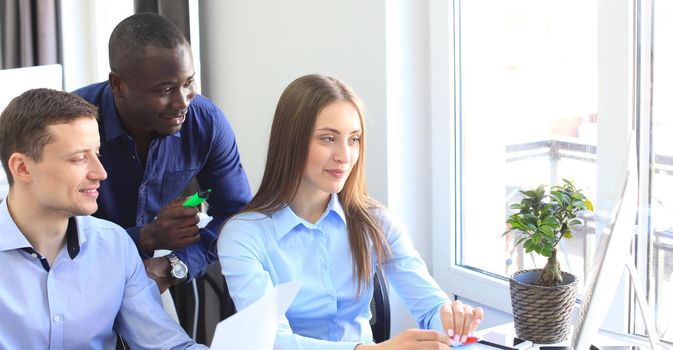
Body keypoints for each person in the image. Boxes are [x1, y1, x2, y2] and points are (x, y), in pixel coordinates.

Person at [218, 74, 484, 349]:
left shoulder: (375, 221)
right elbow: (273, 342)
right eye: (328, 138)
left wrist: (450, 319)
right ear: (292, 141)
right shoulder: (244, 235)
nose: (344, 156)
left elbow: (430, 308)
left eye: (354, 139)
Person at [0, 88, 207, 349]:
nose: (100, 173)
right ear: (22, 167)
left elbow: (167, 345)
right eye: (78, 159)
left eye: (97, 154)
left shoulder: (114, 245)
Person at [74, 13, 252, 292]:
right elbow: (52, 231)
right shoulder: (70, 123)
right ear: (118, 85)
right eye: (166, 89)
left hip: (150, 279)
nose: (182, 102)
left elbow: (237, 213)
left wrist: (174, 265)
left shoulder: (206, 122)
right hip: (75, 280)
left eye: (188, 83)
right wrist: (146, 237)